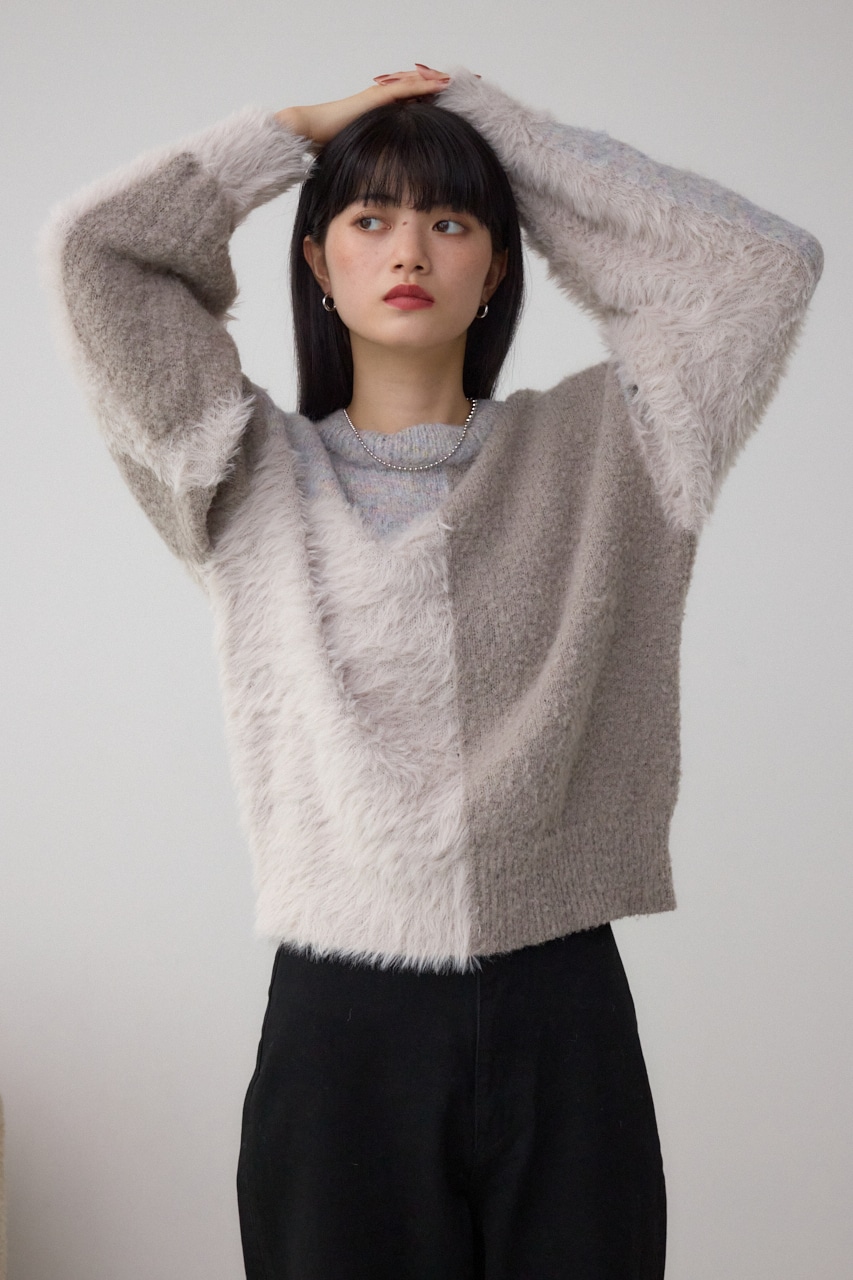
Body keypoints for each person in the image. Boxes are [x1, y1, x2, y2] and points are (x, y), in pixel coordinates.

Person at [41, 62, 823, 1279]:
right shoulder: (239, 473)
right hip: (337, 1026)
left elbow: (763, 268)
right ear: (317, 259)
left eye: (450, 221)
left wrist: (503, 137)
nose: (409, 247)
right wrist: (291, 135)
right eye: (371, 217)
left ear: (498, 263)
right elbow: (95, 253)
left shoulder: (617, 448)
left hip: (562, 1007)